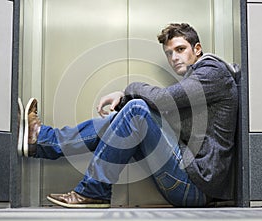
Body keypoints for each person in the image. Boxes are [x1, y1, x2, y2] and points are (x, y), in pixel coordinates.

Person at [18, 23, 238, 208]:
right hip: (185, 180)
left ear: (197, 49)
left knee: (136, 109)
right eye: (169, 53)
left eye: (180, 49)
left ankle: (91, 187)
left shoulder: (212, 73)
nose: (174, 58)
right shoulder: (198, 80)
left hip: (195, 188)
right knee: (133, 111)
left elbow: (162, 100)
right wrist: (125, 100)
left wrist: (127, 90)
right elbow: (162, 110)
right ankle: (41, 139)